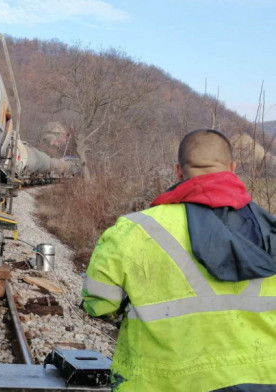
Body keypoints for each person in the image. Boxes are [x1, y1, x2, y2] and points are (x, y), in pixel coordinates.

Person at [81, 128, 276, 391]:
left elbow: (99, 305)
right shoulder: (269, 232)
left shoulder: (133, 230)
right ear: (233, 167)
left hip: (161, 384)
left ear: (178, 171)